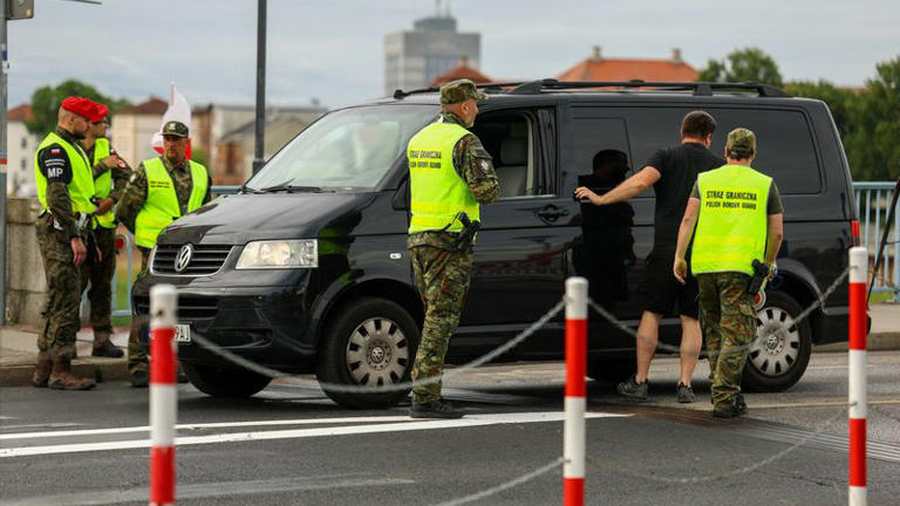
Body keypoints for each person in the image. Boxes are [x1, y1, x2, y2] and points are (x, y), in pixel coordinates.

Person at [575, 111, 724, 403]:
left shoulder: (666, 156)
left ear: (683, 131)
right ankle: (684, 384)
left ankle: (641, 380)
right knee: (691, 319)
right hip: (702, 252)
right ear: (709, 137)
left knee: (652, 312)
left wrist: (601, 198)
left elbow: (639, 183)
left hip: (667, 249)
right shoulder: (718, 166)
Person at [673, 127, 784, 418]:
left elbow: (688, 219)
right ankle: (724, 397)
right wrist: (768, 263)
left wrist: (679, 257)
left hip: (706, 267)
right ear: (753, 154)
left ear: (726, 152)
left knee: (714, 332)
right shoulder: (764, 184)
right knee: (739, 333)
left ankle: (724, 390)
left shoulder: (705, 180)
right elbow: (777, 232)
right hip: (740, 268)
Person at [407, 79, 500, 419]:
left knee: (430, 315)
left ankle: (421, 387)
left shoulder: (420, 138)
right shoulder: (464, 141)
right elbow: (487, 191)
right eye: (474, 103)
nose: (477, 108)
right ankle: (426, 397)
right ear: (463, 107)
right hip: (451, 239)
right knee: (441, 319)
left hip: (419, 236)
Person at [116, 120, 212, 387]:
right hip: (155, 251)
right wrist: (144, 235)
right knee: (147, 306)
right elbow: (125, 209)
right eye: (167, 139)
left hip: (188, 252)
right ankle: (137, 364)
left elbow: (207, 209)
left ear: (185, 143)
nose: (170, 144)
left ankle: (174, 361)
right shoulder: (148, 170)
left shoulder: (201, 172)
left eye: (176, 140)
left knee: (180, 307)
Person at [31, 97, 100, 390]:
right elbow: (57, 196)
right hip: (60, 233)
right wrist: (73, 237)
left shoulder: (72, 148)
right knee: (65, 303)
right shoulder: (56, 149)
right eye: (87, 120)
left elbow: (82, 199)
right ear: (72, 119)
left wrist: (90, 238)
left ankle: (44, 370)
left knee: (58, 299)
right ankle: (60, 371)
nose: (91, 125)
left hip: (71, 230)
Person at [78, 101, 130, 358]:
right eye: (102, 123)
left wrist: (111, 199)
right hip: (77, 229)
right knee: (71, 290)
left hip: (103, 230)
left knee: (102, 288)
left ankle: (101, 340)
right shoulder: (71, 147)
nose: (106, 127)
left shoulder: (106, 148)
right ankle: (63, 345)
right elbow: (74, 178)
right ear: (88, 124)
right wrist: (102, 166)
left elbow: (125, 175)